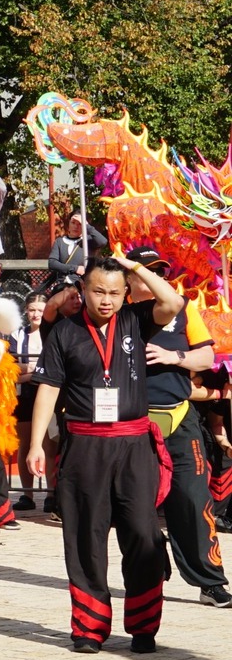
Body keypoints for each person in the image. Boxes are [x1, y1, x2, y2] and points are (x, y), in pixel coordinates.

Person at [28, 252, 184, 653]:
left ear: (125, 293)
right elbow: (48, 389)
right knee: (85, 535)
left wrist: (135, 268)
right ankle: (89, 628)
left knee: (144, 533)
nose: (107, 300)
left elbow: (173, 303)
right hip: (84, 446)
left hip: (134, 446)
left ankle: (144, 626)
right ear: (84, 289)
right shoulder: (65, 333)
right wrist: (35, 445)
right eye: (99, 291)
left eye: (115, 293)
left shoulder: (135, 319)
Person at [126, 248, 231, 608]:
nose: (155, 278)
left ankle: (210, 582)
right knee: (139, 505)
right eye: (146, 272)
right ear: (129, 280)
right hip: (134, 422)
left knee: (193, 500)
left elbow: (207, 356)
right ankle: (154, 566)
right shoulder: (119, 315)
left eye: (159, 271)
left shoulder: (183, 308)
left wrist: (176, 357)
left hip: (180, 419)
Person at [13, 292, 48, 509]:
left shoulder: (53, 333)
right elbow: (12, 368)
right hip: (24, 395)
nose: (36, 314)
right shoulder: (18, 335)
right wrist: (32, 372)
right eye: (32, 310)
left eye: (40, 310)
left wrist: (29, 371)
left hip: (47, 394)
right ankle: (27, 495)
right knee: (25, 444)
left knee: (48, 445)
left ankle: (51, 494)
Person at [48, 211, 105, 284]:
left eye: (80, 224)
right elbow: (52, 263)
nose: (76, 226)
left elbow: (103, 241)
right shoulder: (59, 242)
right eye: (73, 222)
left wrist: (87, 225)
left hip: (82, 285)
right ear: (69, 223)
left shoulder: (88, 241)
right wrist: (75, 268)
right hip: (62, 285)